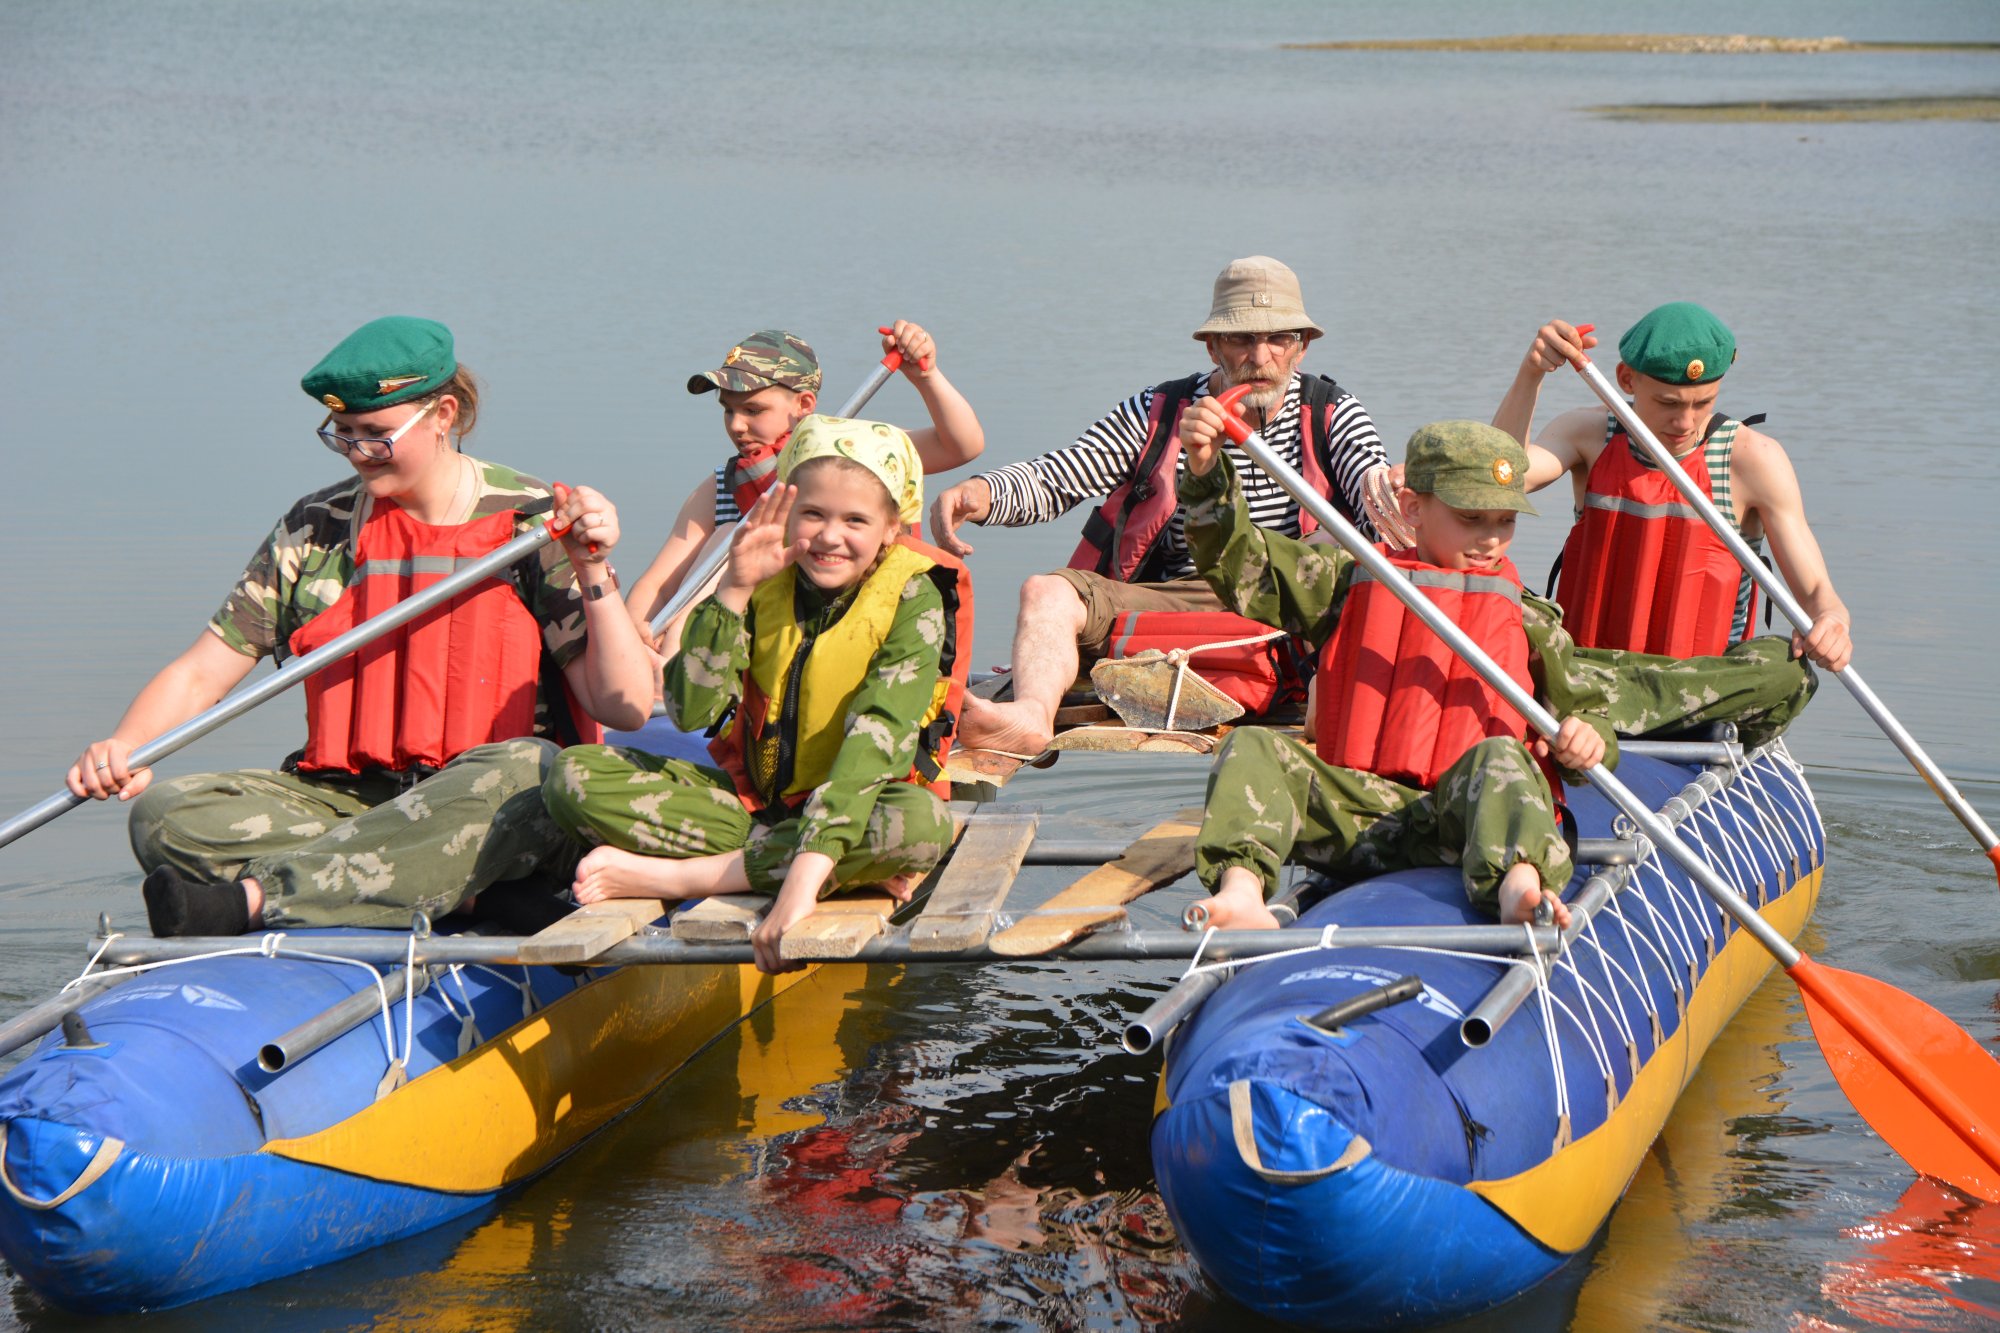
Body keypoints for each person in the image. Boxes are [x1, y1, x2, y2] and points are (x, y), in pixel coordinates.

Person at [68, 316, 657, 936]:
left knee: (533, 767)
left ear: (443, 414)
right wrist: (125, 745)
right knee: (167, 816)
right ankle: (461, 897)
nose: (356, 452)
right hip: (352, 801)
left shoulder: (531, 521)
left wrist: (591, 567)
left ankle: (252, 902)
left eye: (376, 435)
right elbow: (202, 671)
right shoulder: (317, 525)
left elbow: (623, 706)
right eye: (341, 433)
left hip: (489, 802)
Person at [542, 415, 971, 974]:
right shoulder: (762, 577)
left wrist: (800, 887)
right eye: (813, 514)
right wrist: (732, 592)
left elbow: (879, 738)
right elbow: (691, 710)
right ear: (788, 512)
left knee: (919, 829)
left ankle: (686, 874)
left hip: (862, 808)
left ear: (891, 528)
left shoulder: (915, 596)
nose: (829, 536)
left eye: (855, 520)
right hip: (756, 812)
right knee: (573, 777)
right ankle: (768, 856)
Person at [930, 255, 1405, 756]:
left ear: (1301, 348)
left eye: (1278, 339)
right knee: (1045, 592)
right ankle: (1028, 717)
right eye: (1242, 339)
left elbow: (1370, 478)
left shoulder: (1331, 410)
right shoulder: (1160, 411)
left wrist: (1394, 492)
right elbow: (1064, 473)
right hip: (1174, 596)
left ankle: (1330, 714)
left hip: (1287, 604)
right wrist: (982, 493)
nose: (1260, 357)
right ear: (1213, 345)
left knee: (1345, 568)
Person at [1175, 417, 1614, 932]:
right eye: (1471, 517)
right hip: (1354, 815)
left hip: (1463, 824)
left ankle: (1518, 885)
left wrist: (1590, 738)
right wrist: (1206, 472)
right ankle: (1242, 893)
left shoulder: (1528, 616)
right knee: (1250, 746)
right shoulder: (1347, 578)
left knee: (1501, 756)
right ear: (1413, 510)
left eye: (1505, 520)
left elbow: (1585, 707)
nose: (1491, 539)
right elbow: (1239, 563)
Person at [1494, 303, 1840, 745]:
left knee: (1787, 671)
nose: (1684, 422)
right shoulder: (1588, 433)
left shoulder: (1754, 459)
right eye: (1667, 403)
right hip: (1584, 664)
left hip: (1697, 686)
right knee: (1504, 605)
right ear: (1626, 380)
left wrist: (1830, 622)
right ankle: (1593, 704)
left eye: (1703, 404)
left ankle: (1599, 710)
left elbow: (1816, 594)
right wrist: (1531, 374)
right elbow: (1498, 479)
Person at [623, 322, 985, 659]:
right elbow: (659, 582)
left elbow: (961, 446)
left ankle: (676, 657)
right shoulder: (722, 484)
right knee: (724, 534)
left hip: (845, 634)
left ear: (804, 406)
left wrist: (925, 376)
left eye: (753, 409)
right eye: (728, 410)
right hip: (744, 643)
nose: (736, 425)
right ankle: (669, 663)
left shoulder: (858, 452)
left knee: (733, 537)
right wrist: (633, 633)